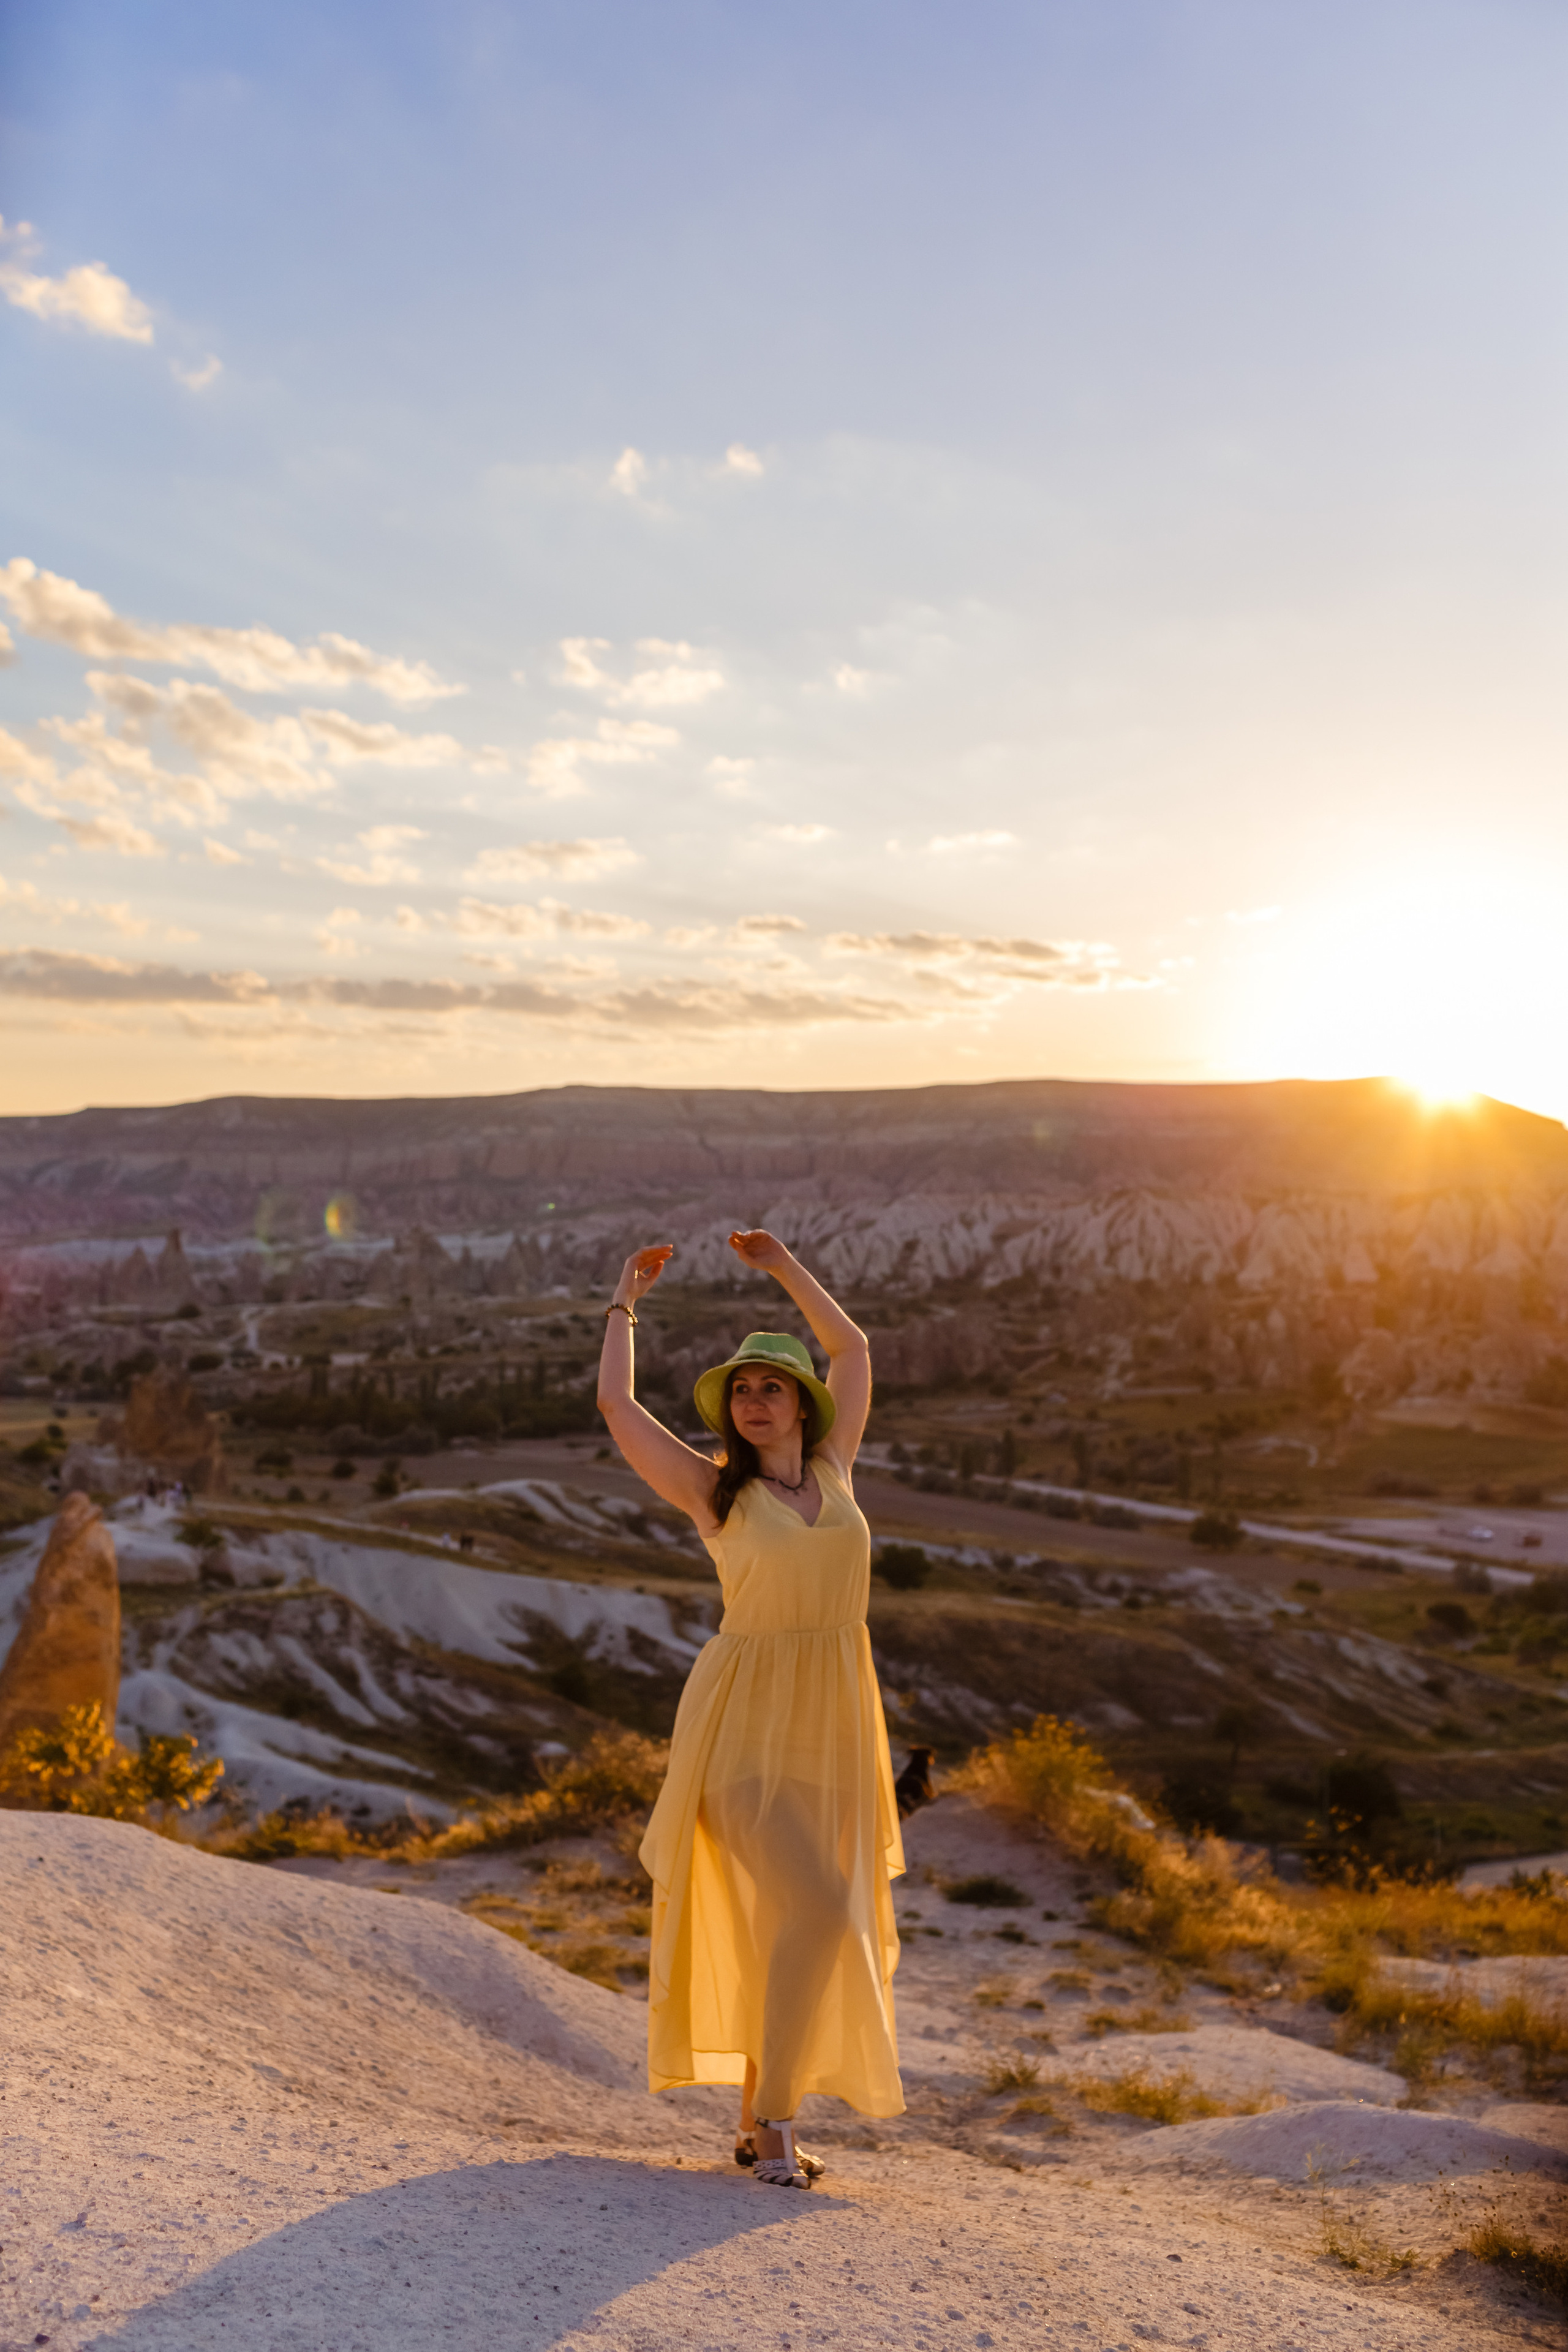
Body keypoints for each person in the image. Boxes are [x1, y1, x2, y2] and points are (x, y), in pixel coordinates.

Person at [596, 1228, 905, 2188]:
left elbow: (852, 1350)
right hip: (739, 1731)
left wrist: (783, 1270)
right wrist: (623, 1305)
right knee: (818, 1910)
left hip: (834, 1726)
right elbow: (616, 1404)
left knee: (805, 1919)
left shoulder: (838, 1470)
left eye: (771, 1387)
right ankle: (773, 2125)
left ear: (801, 1406)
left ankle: (750, 2122)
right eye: (741, 1389)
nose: (755, 1401)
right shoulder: (713, 1492)